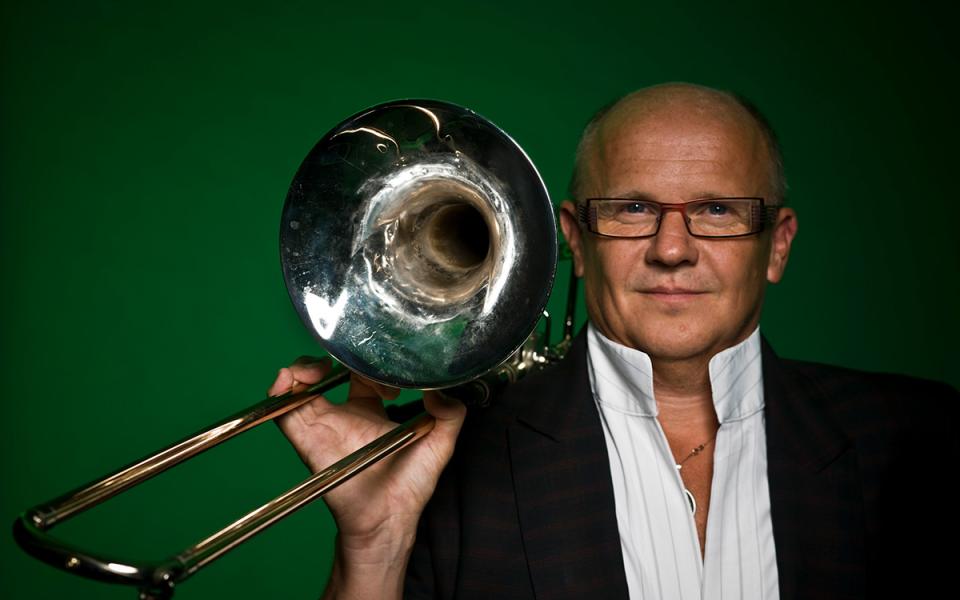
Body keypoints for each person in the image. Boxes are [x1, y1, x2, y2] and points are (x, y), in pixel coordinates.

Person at [268, 83, 958, 599]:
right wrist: (376, 538)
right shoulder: (452, 467)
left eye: (717, 209)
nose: (672, 249)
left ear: (776, 247)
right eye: (632, 208)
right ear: (573, 237)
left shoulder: (924, 438)